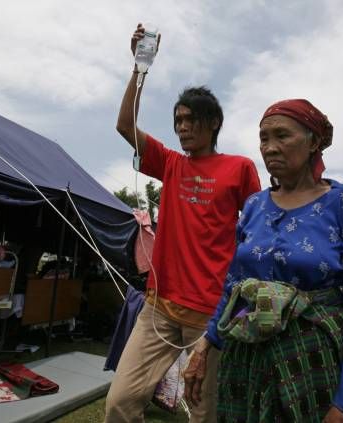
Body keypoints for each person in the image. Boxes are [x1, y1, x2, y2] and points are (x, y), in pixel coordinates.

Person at [184, 99, 343, 423]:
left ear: (314, 142)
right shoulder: (253, 206)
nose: (270, 147)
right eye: (264, 138)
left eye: (282, 136)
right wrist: (206, 345)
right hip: (247, 366)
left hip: (315, 367)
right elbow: (236, 289)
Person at [104, 24, 261, 423]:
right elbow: (125, 126)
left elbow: (258, 229)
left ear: (213, 123)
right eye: (178, 120)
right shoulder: (171, 164)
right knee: (120, 403)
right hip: (157, 308)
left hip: (209, 316)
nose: (183, 127)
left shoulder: (239, 168)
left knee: (206, 413)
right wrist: (140, 68)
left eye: (191, 119)